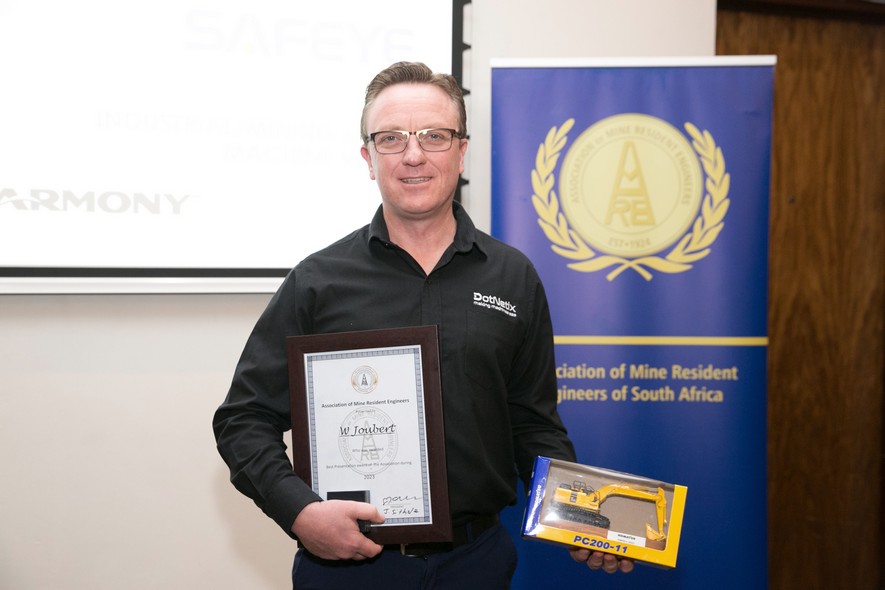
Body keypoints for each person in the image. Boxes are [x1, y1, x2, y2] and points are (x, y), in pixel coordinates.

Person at [213, 61, 632, 589]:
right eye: (391, 138)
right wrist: (298, 511)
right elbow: (243, 418)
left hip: (476, 564)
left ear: (461, 151)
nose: (413, 155)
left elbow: (533, 424)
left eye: (434, 136)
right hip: (349, 569)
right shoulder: (318, 281)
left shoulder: (512, 277)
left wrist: (579, 519)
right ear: (368, 158)